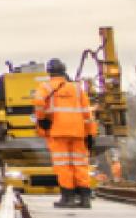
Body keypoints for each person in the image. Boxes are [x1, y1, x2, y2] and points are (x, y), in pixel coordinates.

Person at [32, 58, 97, 209]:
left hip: (58, 131)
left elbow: (38, 103)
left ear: (49, 72)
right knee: (80, 164)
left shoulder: (45, 87)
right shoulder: (77, 89)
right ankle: (85, 198)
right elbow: (87, 113)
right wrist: (90, 134)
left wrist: (42, 121)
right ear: (64, 71)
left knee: (63, 165)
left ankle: (68, 198)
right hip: (78, 131)